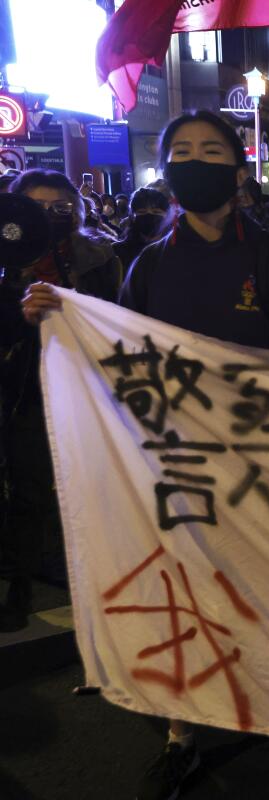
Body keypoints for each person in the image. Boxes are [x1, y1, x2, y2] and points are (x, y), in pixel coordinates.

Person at [22, 110, 269, 800]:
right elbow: (119, 355)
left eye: (211, 151)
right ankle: (182, 734)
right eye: (182, 152)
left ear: (236, 169)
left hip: (265, 471)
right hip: (176, 467)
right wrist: (58, 317)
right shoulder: (150, 264)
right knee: (185, 600)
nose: (196, 161)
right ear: (168, 171)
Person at [0, 169, 123, 633]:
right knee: (27, 486)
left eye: (61, 208)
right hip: (25, 388)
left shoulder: (100, 258)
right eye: (38, 208)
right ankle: (20, 583)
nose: (51, 217)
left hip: (89, 388)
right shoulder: (7, 260)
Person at [112, 187, 170, 269]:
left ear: (167, 216)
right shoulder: (118, 251)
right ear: (132, 217)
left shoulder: (175, 250)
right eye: (142, 212)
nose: (149, 216)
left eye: (156, 212)